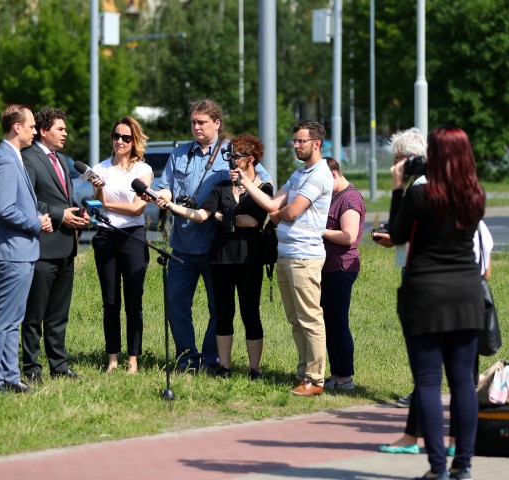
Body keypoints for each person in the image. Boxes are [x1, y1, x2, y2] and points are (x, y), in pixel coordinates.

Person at [388, 125, 485, 479]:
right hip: (467, 294)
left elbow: (396, 233)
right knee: (462, 382)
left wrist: (398, 188)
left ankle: (437, 469)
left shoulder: (420, 195)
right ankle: (464, 466)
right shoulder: (475, 194)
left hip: (425, 295)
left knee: (428, 383)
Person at [154, 98, 270, 373]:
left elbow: (261, 181)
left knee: (219, 309)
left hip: (216, 247)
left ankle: (210, 359)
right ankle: (186, 357)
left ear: (217, 123)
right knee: (175, 304)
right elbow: (168, 186)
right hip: (182, 243)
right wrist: (163, 197)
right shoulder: (181, 152)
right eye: (193, 121)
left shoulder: (234, 153)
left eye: (202, 122)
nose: (196, 127)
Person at [233, 121, 333, 397]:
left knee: (310, 319)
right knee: (295, 319)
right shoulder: (300, 173)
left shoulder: (318, 175)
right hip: (286, 254)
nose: (296, 146)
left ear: (317, 143)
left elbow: (288, 213)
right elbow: (274, 206)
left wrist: (279, 212)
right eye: (294, 141)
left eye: (301, 141)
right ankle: (303, 373)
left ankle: (315, 379)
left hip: (305, 256)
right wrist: (245, 183)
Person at [0, 104, 53, 393]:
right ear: (17, 127)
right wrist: (35, 222)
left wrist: (39, 216)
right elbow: (4, 209)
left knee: (13, 320)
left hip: (21, 251)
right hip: (13, 251)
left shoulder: (12, 157)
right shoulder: (4, 160)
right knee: (3, 320)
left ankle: (10, 377)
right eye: (32, 125)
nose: (36, 130)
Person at [21, 106, 89, 384]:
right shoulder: (28, 158)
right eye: (60, 129)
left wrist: (76, 212)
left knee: (59, 314)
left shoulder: (61, 160)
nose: (65, 134)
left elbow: (63, 199)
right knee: (34, 314)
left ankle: (59, 366)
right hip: (41, 247)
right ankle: (32, 368)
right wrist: (61, 215)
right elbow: (28, 201)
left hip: (66, 246)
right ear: (43, 130)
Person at [89, 116, 153, 374]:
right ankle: (112, 358)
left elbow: (138, 208)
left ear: (134, 140)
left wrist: (107, 206)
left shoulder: (142, 170)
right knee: (110, 301)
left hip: (133, 237)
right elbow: (96, 205)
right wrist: (99, 192)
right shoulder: (100, 168)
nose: (120, 141)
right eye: (116, 136)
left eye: (126, 137)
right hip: (105, 236)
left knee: (133, 302)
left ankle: (133, 360)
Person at [372, 127, 427, 408]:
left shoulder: (417, 186)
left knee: (420, 337)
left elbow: (403, 232)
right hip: (431, 268)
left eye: (396, 159)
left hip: (417, 269)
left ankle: (422, 393)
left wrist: (387, 236)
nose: (393, 165)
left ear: (407, 158)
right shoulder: (428, 181)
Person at [320, 157, 365, 391]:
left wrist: (320, 230)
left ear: (334, 173)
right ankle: (336, 374)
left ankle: (345, 377)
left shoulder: (349, 198)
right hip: (329, 268)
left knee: (337, 322)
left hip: (341, 267)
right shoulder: (334, 195)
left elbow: (348, 236)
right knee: (329, 322)